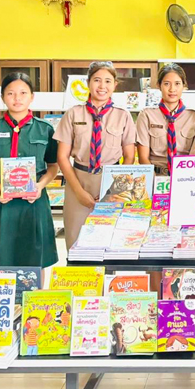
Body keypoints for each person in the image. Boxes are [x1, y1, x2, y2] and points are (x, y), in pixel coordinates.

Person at [0, 72, 59, 269]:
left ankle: (33, 299)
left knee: (35, 258)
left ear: (32, 96)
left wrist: (40, 185)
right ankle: (2, 299)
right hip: (0, 201)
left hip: (34, 201)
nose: (17, 98)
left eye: (23, 93)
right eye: (10, 93)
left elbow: (53, 166)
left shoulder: (45, 129)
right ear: (2, 97)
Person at [54, 62, 136, 249]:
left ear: (115, 85)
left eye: (108, 81)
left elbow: (129, 157)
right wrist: (79, 192)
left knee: (109, 243)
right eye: (97, 80)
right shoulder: (73, 114)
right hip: (78, 181)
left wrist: (113, 191)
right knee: (76, 242)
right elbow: (62, 157)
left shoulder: (123, 116)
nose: (102, 86)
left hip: (112, 183)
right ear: (88, 83)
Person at [136, 63, 195, 175]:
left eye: (177, 84)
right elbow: (143, 158)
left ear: (184, 86)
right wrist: (153, 180)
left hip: (185, 176)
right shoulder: (146, 115)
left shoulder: (194, 116)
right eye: (167, 84)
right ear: (159, 85)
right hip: (155, 175)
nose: (172, 89)